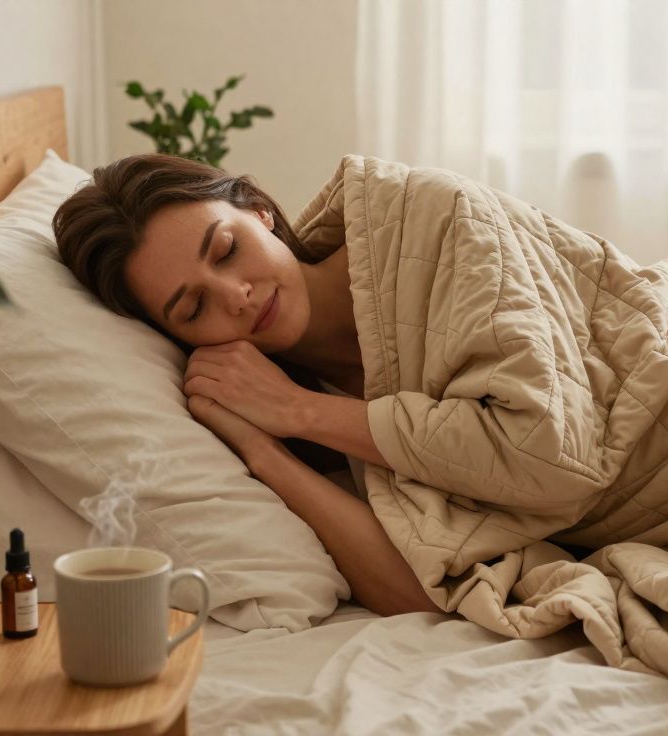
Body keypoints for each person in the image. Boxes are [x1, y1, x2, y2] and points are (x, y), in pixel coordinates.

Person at [52, 153, 440, 616]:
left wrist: (297, 408)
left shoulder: (421, 234)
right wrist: (263, 451)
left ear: (259, 209)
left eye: (227, 251)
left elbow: (538, 447)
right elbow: (423, 592)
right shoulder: (260, 403)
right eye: (194, 309)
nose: (237, 297)